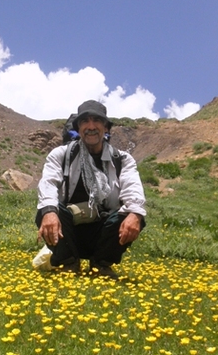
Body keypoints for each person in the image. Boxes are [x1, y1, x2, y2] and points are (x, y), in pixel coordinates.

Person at [35, 100, 146, 278]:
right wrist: (49, 212)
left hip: (103, 232)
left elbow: (133, 190)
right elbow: (48, 184)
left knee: (134, 213)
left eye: (97, 121)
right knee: (46, 209)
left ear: (106, 128)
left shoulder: (122, 159)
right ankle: (68, 262)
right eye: (85, 121)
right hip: (68, 233)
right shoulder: (61, 155)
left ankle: (101, 264)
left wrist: (135, 215)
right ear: (78, 128)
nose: (91, 126)